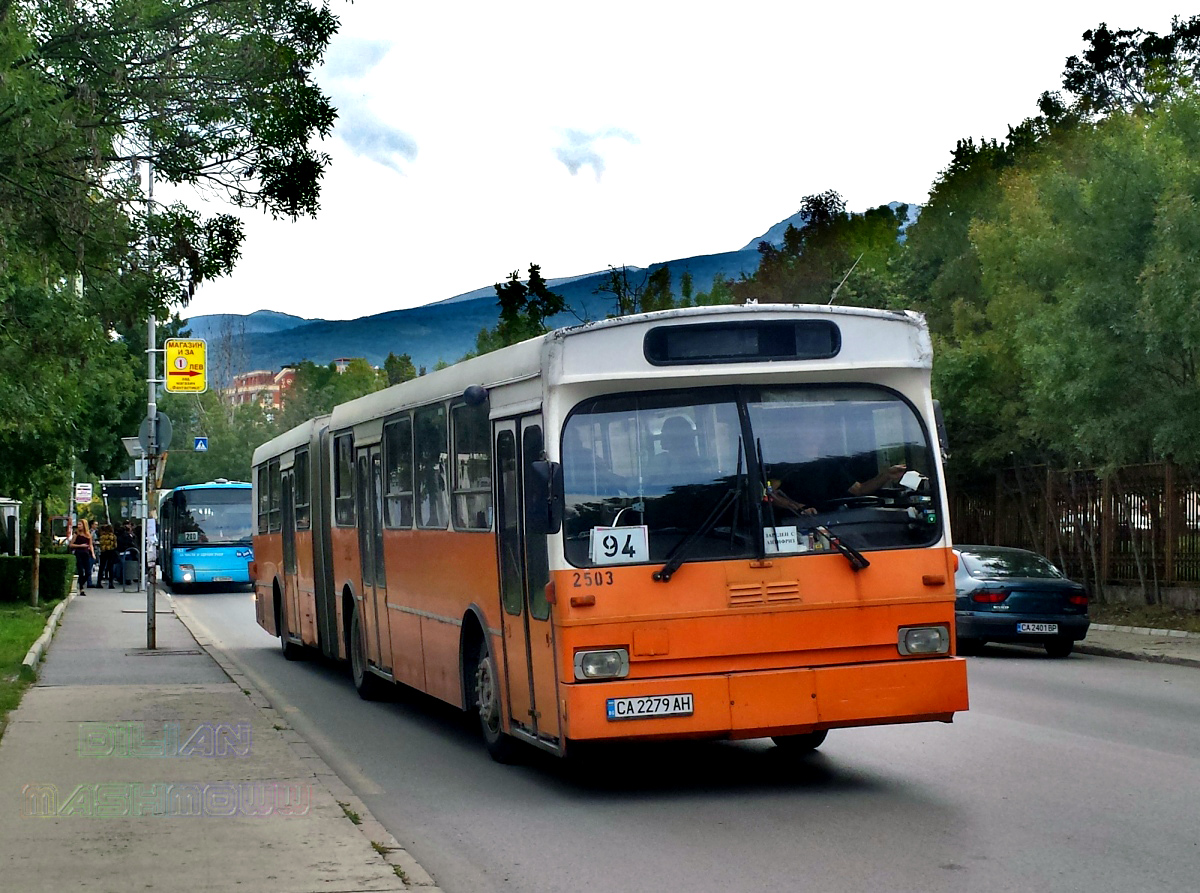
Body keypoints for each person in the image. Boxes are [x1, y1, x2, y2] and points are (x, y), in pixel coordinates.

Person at [768, 426, 906, 516]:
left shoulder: (830, 464)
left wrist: (887, 475)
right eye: (809, 428)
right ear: (798, 433)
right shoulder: (786, 464)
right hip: (793, 527)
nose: (815, 433)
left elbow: (860, 490)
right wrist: (798, 507)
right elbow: (770, 495)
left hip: (832, 527)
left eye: (819, 429)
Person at [69, 520, 96, 593]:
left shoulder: (88, 535)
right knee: (80, 571)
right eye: (78, 524)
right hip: (78, 553)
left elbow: (90, 545)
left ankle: (81, 583)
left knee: (88, 572)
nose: (79, 526)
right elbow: (71, 544)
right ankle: (81, 588)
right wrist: (80, 546)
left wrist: (93, 553)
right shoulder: (76, 534)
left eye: (80, 524)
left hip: (86, 554)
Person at [97, 523, 119, 589]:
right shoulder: (113, 536)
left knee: (101, 567)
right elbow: (115, 545)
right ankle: (111, 583)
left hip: (104, 552)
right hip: (111, 552)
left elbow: (100, 544)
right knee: (110, 567)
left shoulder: (102, 536)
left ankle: (99, 582)